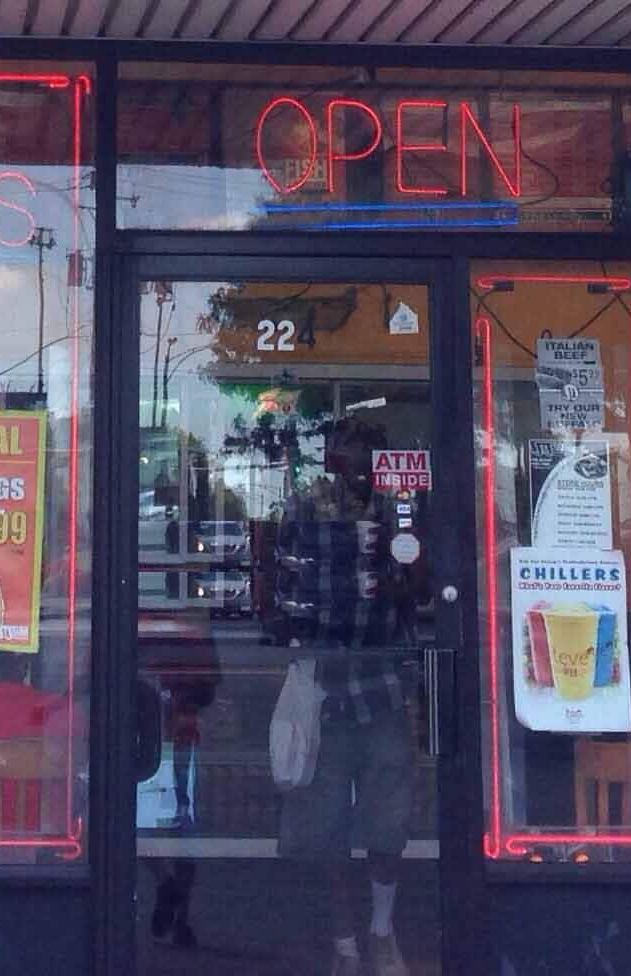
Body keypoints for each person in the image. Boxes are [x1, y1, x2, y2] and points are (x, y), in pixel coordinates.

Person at [273, 415, 423, 976]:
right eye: (348, 450)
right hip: (326, 684)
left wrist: (403, 569)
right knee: (326, 823)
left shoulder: (396, 508)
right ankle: (345, 942)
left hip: (383, 681)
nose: (357, 463)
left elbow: (422, 588)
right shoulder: (305, 506)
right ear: (330, 454)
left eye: (368, 451)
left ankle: (381, 930)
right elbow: (284, 584)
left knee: (388, 820)